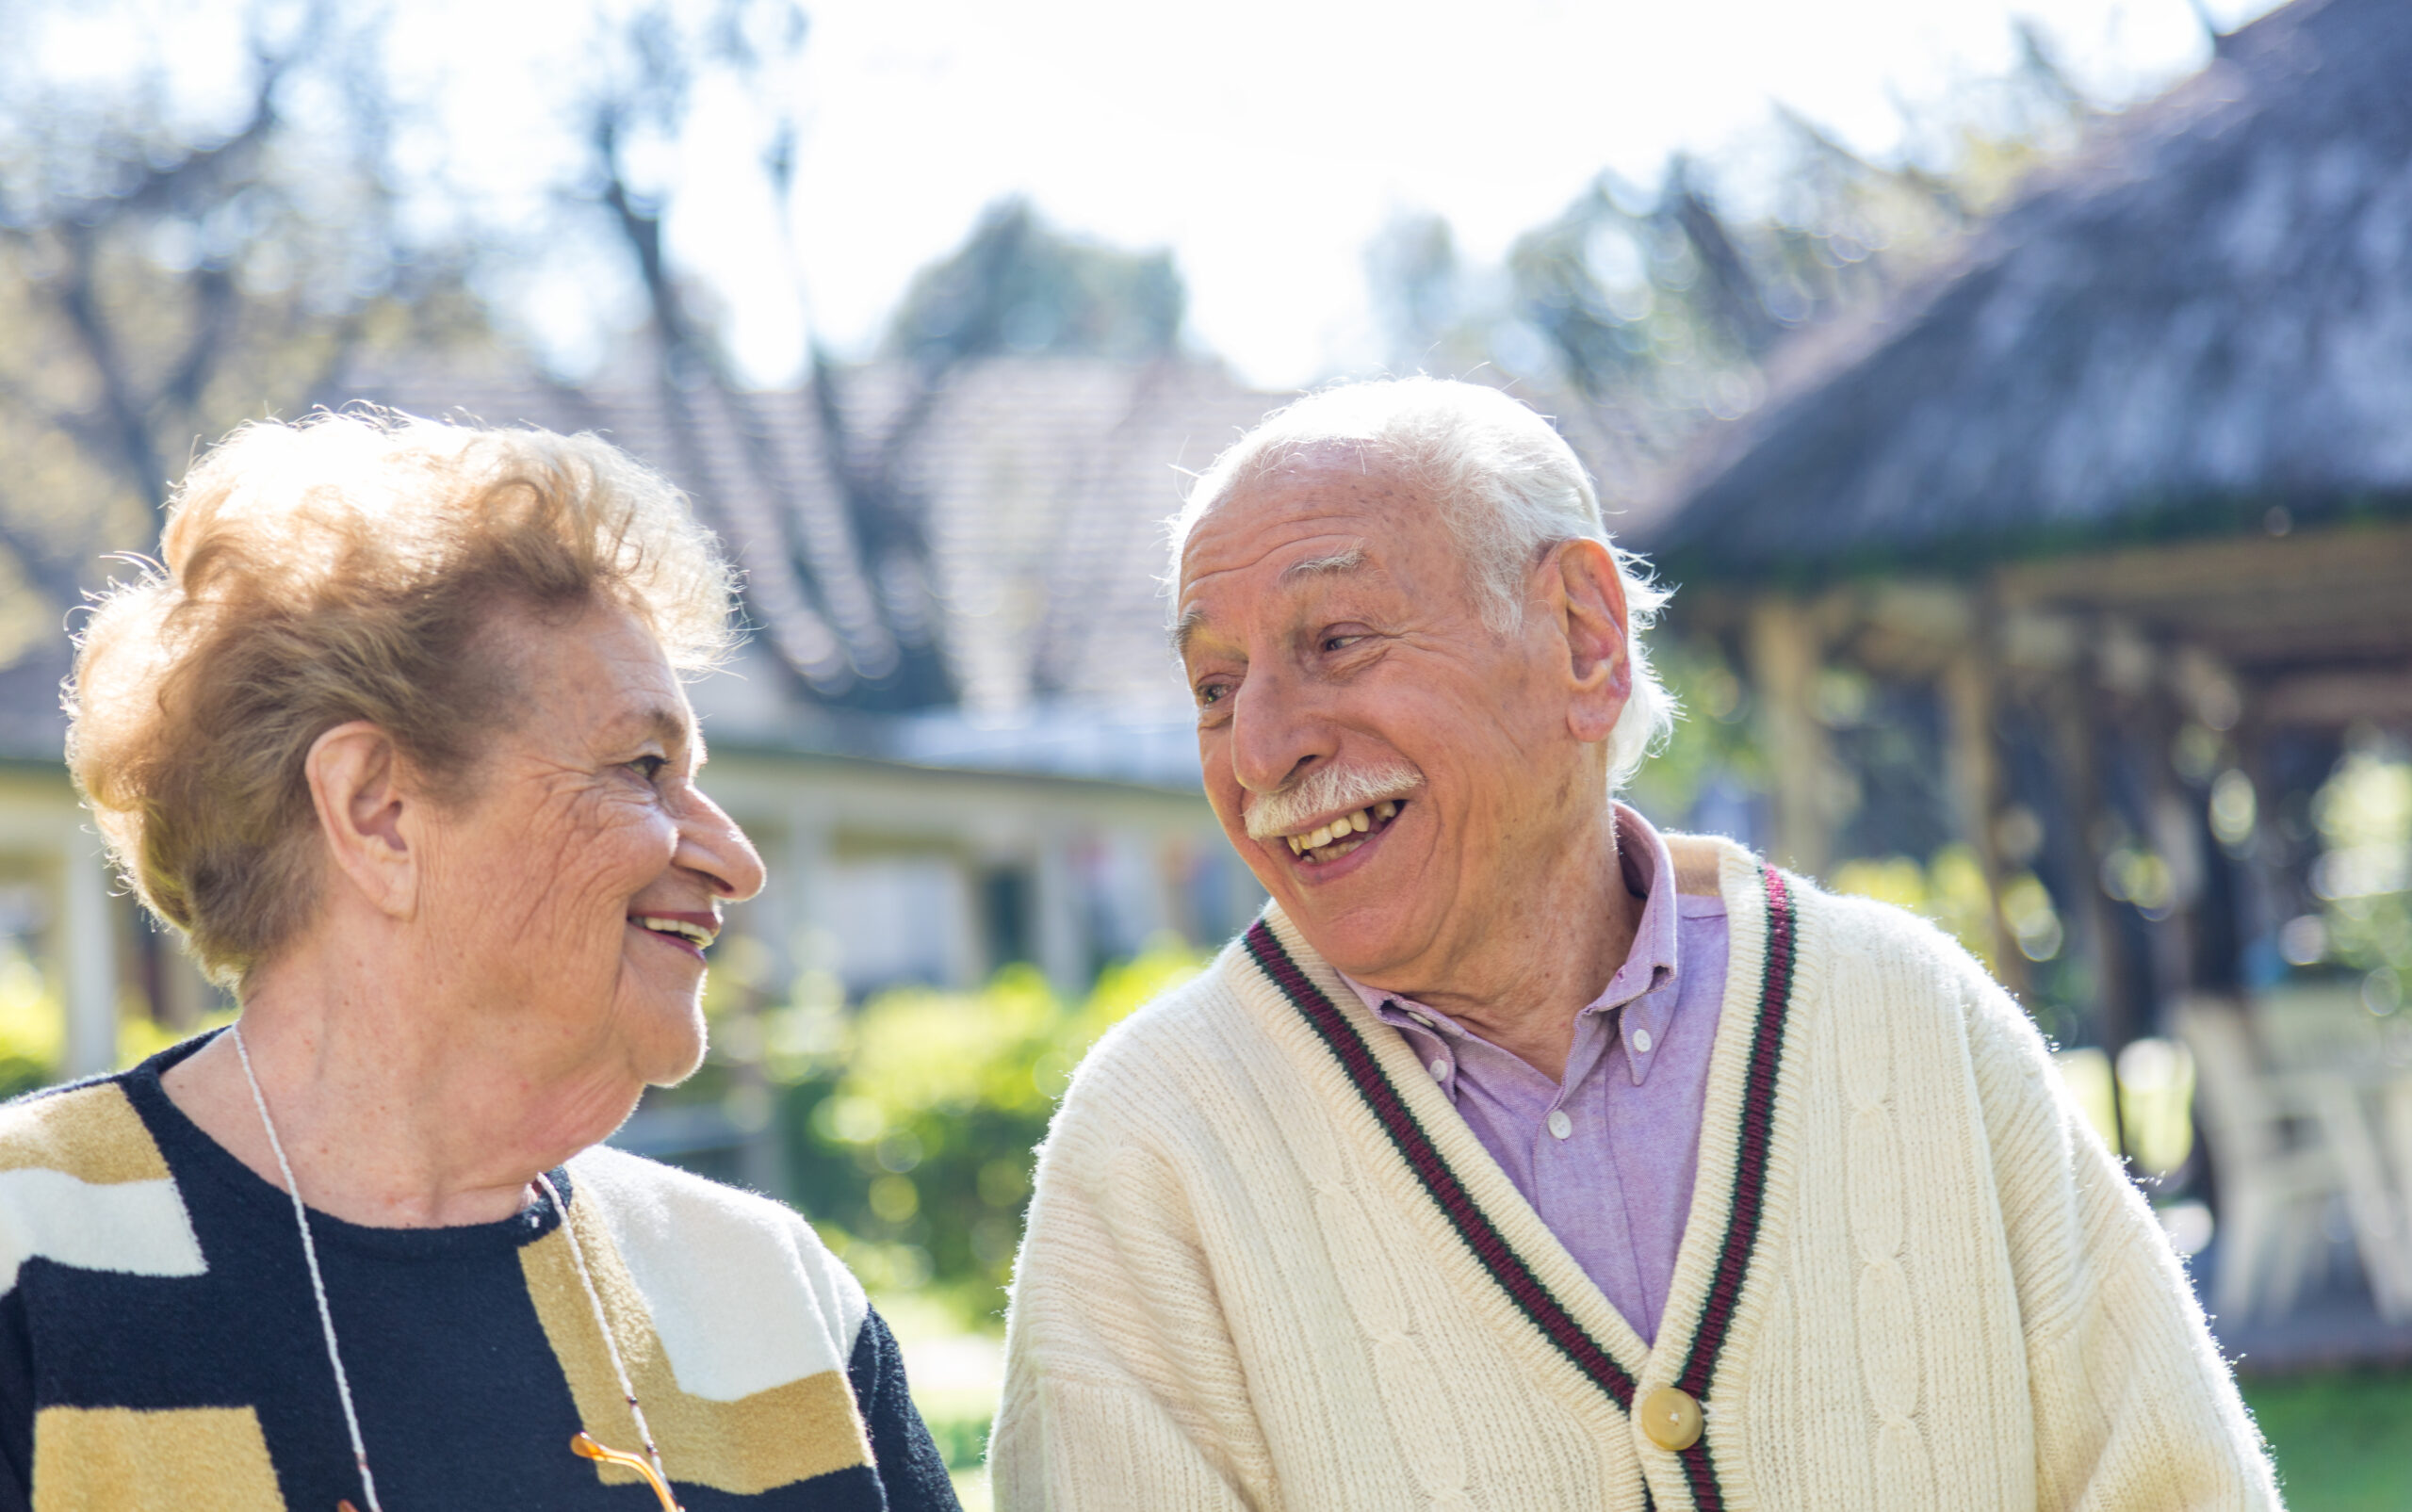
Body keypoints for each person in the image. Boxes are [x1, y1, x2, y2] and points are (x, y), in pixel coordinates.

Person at [992, 378, 2277, 1509]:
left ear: (1583, 637)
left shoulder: (1916, 1022)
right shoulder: (1150, 1153)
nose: (1264, 746)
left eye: (1337, 642)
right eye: (1215, 689)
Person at [11, 412, 958, 1510]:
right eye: (643, 766)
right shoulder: (28, 1267)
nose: (734, 861)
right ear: (378, 812)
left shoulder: (775, 1302)